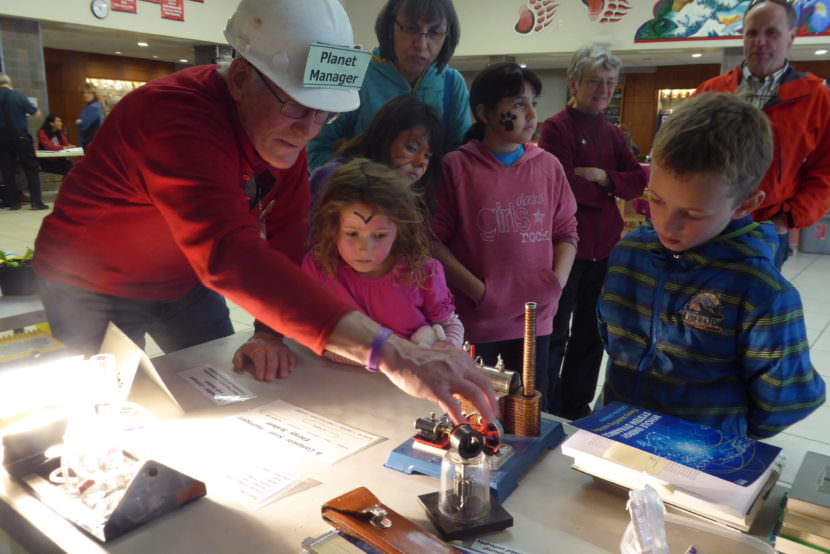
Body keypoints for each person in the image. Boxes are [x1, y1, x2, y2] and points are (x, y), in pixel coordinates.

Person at [33, 0, 497, 425]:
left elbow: (287, 233)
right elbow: (231, 255)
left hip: (181, 284)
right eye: (298, 108)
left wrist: (268, 332)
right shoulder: (175, 119)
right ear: (240, 79)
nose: (308, 131)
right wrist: (393, 353)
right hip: (90, 285)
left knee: (224, 396)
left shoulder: (278, 130)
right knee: (102, 419)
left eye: (323, 116)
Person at [598, 92, 825, 438]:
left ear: (745, 204)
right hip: (615, 435)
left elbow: (784, 401)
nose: (666, 227)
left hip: (703, 458)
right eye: (656, 201)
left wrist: (724, 432)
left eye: (692, 214)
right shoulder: (628, 255)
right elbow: (611, 339)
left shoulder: (762, 293)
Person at [431, 62, 578, 412]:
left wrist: (554, 284)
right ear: (484, 112)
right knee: (479, 413)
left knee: (530, 413)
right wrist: (481, 292)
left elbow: (566, 232)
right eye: (518, 104)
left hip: (535, 320)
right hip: (479, 321)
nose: (530, 114)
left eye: (534, 104)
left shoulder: (548, 166)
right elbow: (433, 241)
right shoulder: (456, 166)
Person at [538, 46, 647, 420]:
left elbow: (637, 182)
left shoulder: (615, 134)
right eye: (595, 82)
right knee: (554, 333)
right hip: (565, 251)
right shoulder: (555, 128)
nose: (603, 90)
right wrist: (611, 188)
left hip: (605, 251)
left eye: (610, 84)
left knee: (592, 335)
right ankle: (547, 405)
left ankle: (577, 407)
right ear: (574, 82)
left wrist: (602, 177)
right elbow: (562, 188)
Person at [695, 0, 830, 269]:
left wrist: (787, 220)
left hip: (768, 230)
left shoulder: (816, 98)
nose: (760, 41)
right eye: (752, 32)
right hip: (709, 224)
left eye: (772, 33)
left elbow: (825, 172)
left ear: (791, 38)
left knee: (755, 308)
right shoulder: (710, 92)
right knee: (700, 306)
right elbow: (683, 158)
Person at [303, 158, 463, 351]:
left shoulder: (423, 273)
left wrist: (447, 348)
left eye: (379, 235)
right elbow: (309, 326)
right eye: (352, 234)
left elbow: (449, 324)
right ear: (332, 228)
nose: (365, 248)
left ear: (400, 229)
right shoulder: (319, 268)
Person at [307, 0, 470, 172]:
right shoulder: (356, 75)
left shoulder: (452, 83)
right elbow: (317, 153)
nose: (422, 45)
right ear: (390, 28)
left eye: (435, 32)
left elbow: (458, 164)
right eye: (411, 29)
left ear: (447, 35)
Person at [310, 95, 441, 214]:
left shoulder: (413, 202)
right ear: (384, 138)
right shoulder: (334, 181)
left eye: (427, 156)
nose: (420, 163)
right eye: (411, 148)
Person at [0, 72, 48, 210]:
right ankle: (36, 202)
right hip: (20, 136)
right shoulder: (17, 96)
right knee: (30, 167)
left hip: (2, 137)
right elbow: (37, 114)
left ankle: (14, 203)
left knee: (7, 169)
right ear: (9, 83)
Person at [75, 84, 102, 150]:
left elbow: (83, 124)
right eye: (84, 93)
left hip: (90, 142)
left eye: (88, 92)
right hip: (90, 142)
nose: (85, 95)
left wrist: (79, 121)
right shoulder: (90, 106)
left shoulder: (94, 107)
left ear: (94, 94)